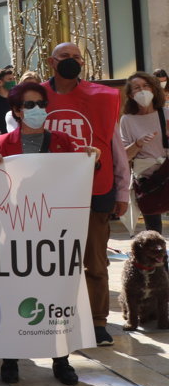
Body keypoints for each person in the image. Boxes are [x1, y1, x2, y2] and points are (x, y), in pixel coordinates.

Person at [0, 82, 94, 386]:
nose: (36, 110)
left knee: (55, 295)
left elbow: (75, 180)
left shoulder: (63, 141)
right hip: (15, 231)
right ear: (17, 111)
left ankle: (61, 359)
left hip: (54, 234)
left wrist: (87, 160)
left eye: (40, 104)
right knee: (13, 294)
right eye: (29, 105)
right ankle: (10, 357)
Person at [42, 42, 128, 347]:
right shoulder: (36, 98)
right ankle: (55, 318)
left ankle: (97, 322)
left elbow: (114, 146)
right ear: (52, 62)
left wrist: (122, 189)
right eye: (66, 57)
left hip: (95, 189)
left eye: (77, 57)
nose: (73, 61)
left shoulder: (102, 98)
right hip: (49, 195)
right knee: (54, 262)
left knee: (95, 260)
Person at [119, 72, 169, 234]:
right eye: (137, 88)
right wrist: (139, 143)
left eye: (146, 86)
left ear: (154, 89)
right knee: (153, 230)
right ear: (130, 94)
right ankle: (158, 259)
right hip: (147, 181)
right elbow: (125, 155)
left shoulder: (165, 113)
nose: (142, 91)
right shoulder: (127, 120)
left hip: (166, 173)